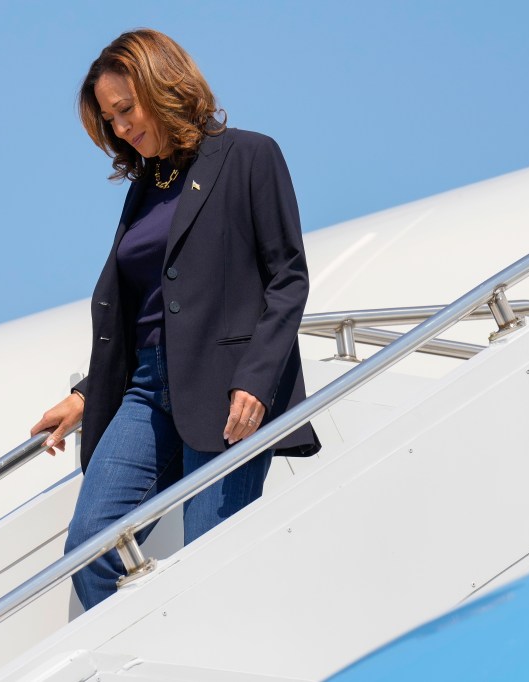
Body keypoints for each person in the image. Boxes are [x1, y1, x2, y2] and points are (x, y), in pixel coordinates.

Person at [30, 28, 319, 610]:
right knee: (90, 548)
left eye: (125, 109)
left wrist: (257, 381)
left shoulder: (249, 155)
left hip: (227, 390)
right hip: (145, 390)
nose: (120, 127)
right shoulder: (144, 187)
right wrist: (89, 394)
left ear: (163, 86)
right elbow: (148, 305)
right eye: (109, 119)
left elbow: (288, 278)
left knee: (211, 563)